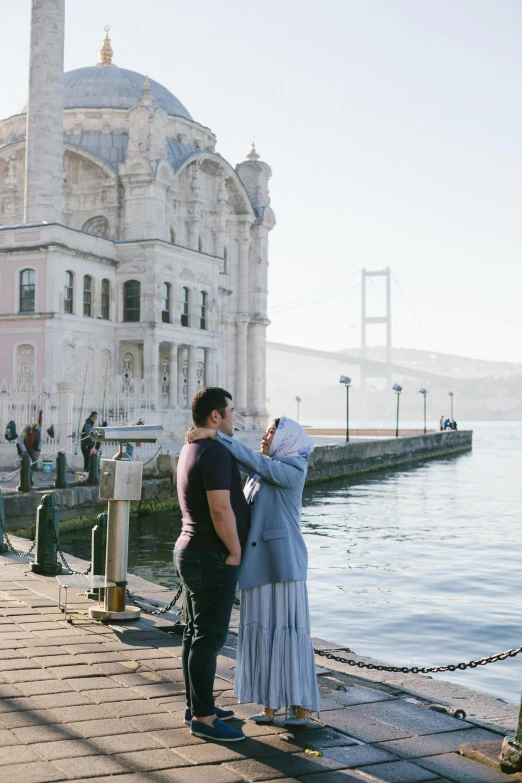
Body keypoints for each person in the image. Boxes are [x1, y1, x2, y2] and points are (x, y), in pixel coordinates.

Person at [188, 414, 321, 726]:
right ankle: (270, 703)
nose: (265, 435)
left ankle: (300, 704)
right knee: (262, 631)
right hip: (257, 563)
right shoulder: (261, 474)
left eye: (272, 431)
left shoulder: (292, 468)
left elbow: (251, 460)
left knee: (287, 632)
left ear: (287, 439)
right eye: (266, 430)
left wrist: (216, 436)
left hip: (283, 563)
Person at [174, 387, 249, 743]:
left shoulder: (191, 447)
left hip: (190, 549)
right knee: (209, 639)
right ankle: (204, 718)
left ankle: (197, 705)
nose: (236, 417)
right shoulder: (215, 452)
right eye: (231, 411)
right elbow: (221, 509)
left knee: (193, 634)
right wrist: (234, 552)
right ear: (216, 416)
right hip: (211, 555)